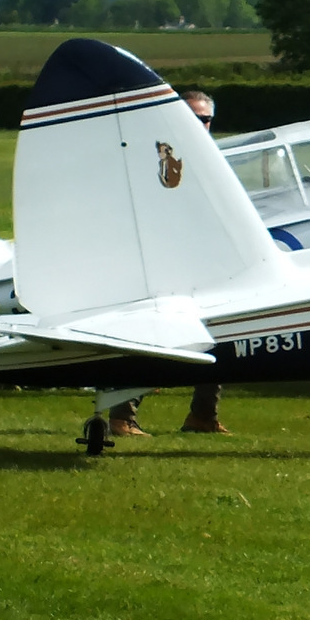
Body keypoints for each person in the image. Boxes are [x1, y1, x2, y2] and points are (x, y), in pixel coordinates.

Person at [109, 89, 231, 437]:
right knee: (154, 341)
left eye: (205, 119)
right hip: (165, 267)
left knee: (217, 338)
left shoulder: (215, 160)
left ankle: (203, 416)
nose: (200, 125)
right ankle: (121, 417)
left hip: (208, 267)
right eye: (192, 119)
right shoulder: (160, 158)